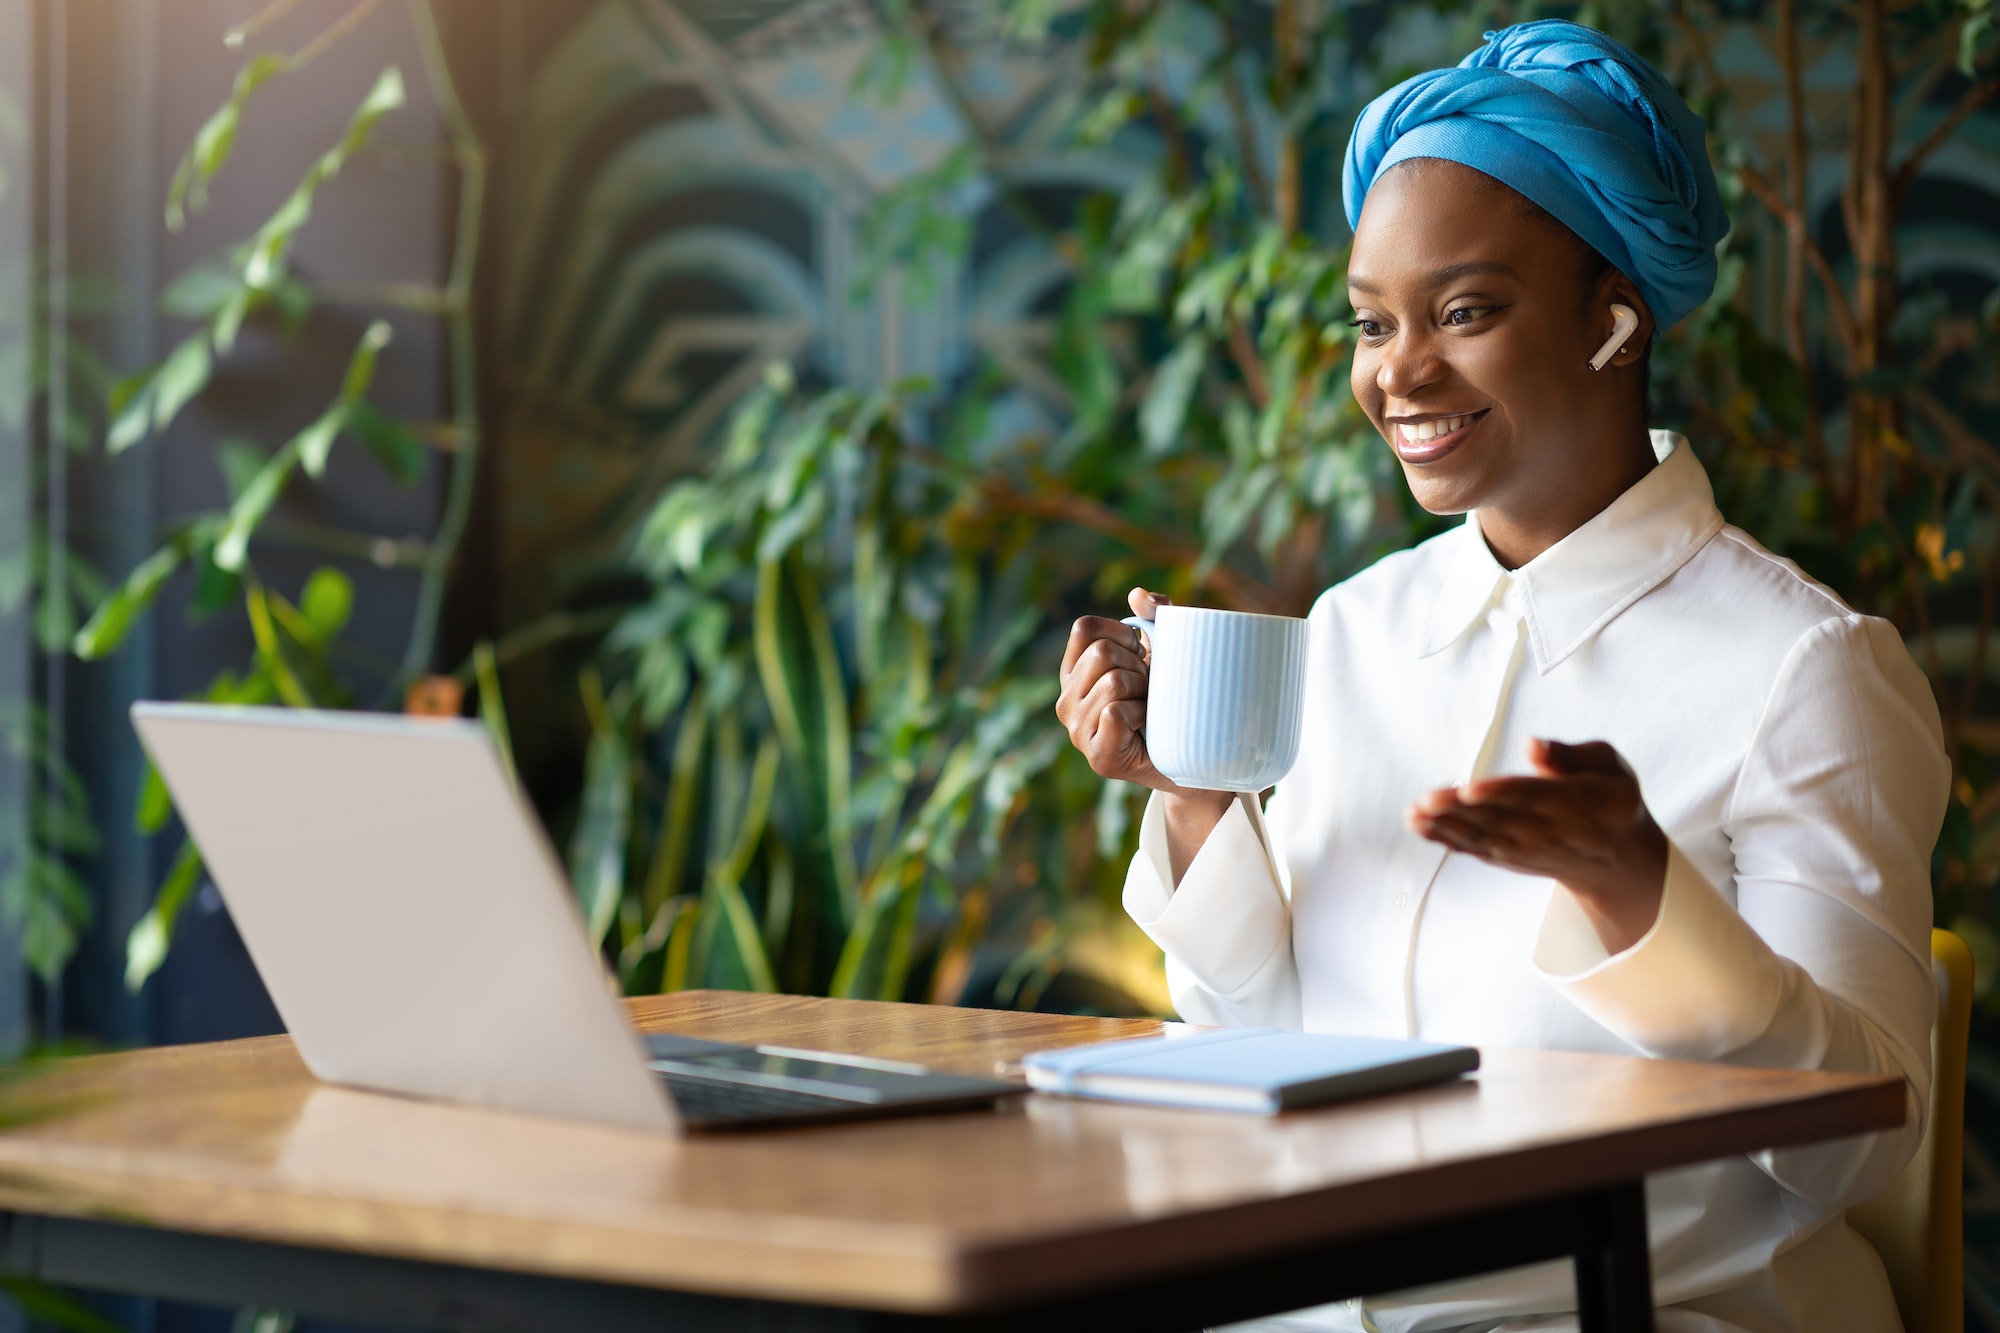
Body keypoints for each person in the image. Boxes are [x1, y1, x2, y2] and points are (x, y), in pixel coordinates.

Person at [1055, 19, 1947, 1333]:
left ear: (1615, 318)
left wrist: (1642, 898)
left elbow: (1865, 1143)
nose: (1398, 372)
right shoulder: (1355, 630)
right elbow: (1264, 1032)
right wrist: (1197, 803)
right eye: (1373, 322)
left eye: (1464, 311)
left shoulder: (1807, 672)